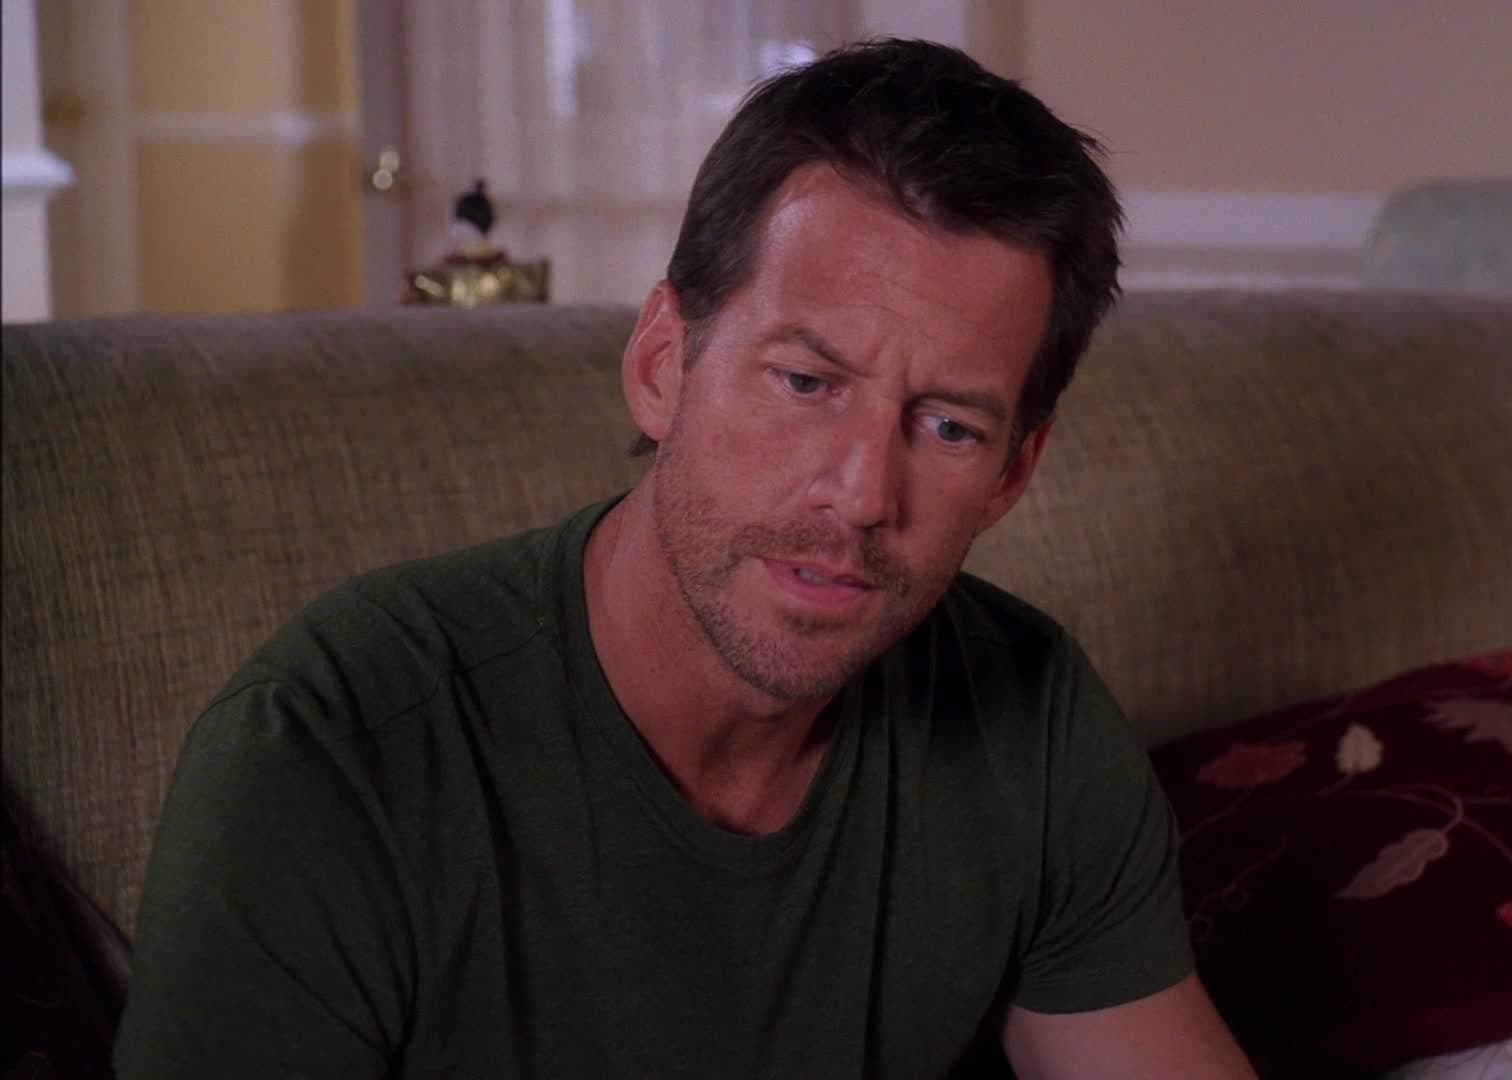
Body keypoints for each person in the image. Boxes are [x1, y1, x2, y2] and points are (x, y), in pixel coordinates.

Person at [114, 38, 1256, 1079]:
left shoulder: (1030, 718)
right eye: (806, 381)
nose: (863, 495)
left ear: (1012, 473)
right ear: (663, 365)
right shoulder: (329, 753)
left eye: (950, 427)